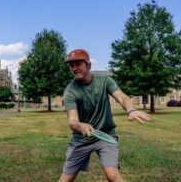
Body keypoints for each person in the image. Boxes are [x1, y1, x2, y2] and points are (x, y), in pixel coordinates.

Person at [59, 49, 151, 182]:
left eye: (78, 64)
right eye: (71, 65)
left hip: (106, 136)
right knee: (65, 179)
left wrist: (131, 110)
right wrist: (80, 126)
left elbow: (122, 97)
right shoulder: (70, 91)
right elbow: (72, 121)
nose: (74, 68)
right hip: (82, 140)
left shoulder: (105, 81)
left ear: (88, 65)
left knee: (113, 176)